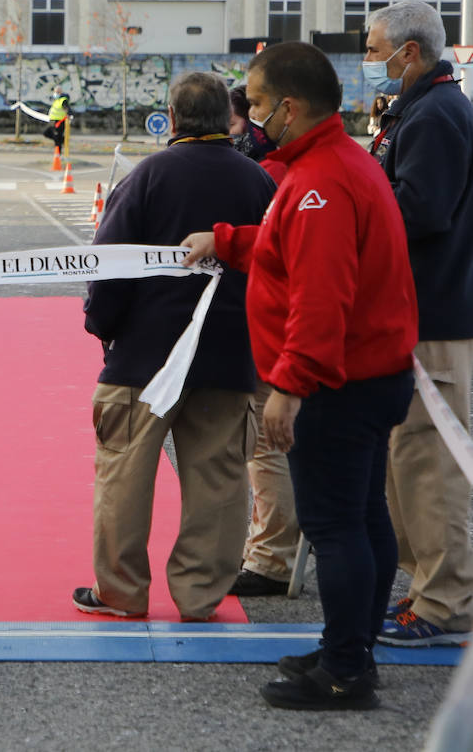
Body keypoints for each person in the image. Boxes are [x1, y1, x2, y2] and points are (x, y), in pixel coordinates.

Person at [183, 41, 418, 711]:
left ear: (288, 106)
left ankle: (346, 669)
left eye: (256, 104)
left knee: (336, 524)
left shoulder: (320, 183)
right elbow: (290, 246)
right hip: (372, 374)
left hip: (338, 384)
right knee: (364, 516)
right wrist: (228, 239)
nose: (251, 118)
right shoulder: (336, 166)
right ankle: (353, 643)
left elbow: (321, 298)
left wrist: (289, 387)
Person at [76, 72, 275, 622]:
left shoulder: (148, 177)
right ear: (226, 118)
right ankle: (200, 594)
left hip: (145, 355)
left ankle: (120, 591)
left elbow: (108, 265)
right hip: (230, 352)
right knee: (219, 479)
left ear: (172, 115)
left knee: (124, 474)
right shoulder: (258, 182)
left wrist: (102, 326)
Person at [363, 0, 473, 649]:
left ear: (410, 52)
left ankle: (446, 601)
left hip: (436, 316)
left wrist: (351, 225)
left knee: (432, 466)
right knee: (407, 461)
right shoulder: (422, 109)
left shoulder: (435, 115)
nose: (369, 61)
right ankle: (427, 588)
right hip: (417, 315)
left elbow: (417, 211)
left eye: (376, 50)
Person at [224, 82, 296, 598]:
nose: (241, 127)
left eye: (246, 116)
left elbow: (270, 249)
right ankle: (271, 551)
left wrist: (221, 238)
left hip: (273, 331)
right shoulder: (285, 167)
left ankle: (271, 559)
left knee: (267, 447)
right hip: (277, 328)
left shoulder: (269, 173)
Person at [44, 85, 71, 153]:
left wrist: (68, 114)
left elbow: (67, 108)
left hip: (60, 121)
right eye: (55, 92)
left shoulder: (63, 100)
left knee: (57, 136)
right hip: (53, 120)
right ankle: (62, 140)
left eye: (57, 92)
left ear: (60, 92)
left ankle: (58, 153)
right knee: (47, 133)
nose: (55, 93)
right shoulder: (57, 100)